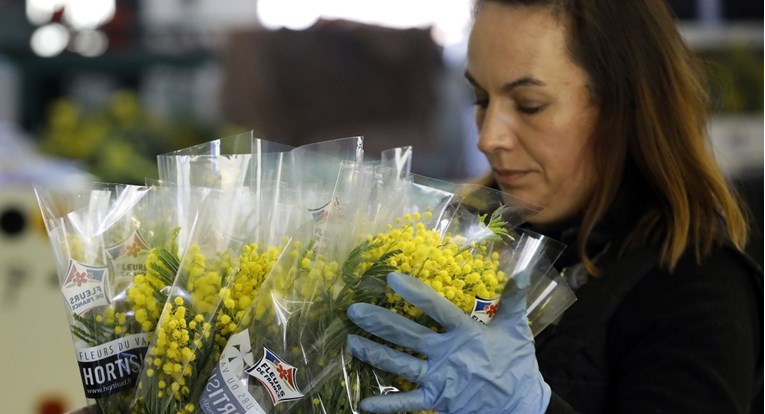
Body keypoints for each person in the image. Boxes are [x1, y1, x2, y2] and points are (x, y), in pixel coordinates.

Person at [344, 0, 763, 413]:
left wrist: (529, 408)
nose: (488, 139)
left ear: (623, 107)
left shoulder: (698, 289)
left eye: (529, 105)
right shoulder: (460, 238)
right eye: (481, 98)